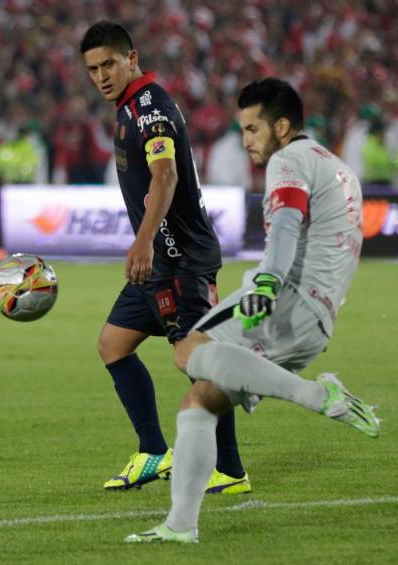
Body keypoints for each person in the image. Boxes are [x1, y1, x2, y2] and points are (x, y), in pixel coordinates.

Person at [126, 78, 380, 544]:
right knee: (200, 399)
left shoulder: (289, 159)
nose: (245, 141)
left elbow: (285, 223)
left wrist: (267, 281)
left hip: (284, 297)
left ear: (281, 126)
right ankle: (181, 526)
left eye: (252, 129)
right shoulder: (338, 167)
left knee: (187, 350)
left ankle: (314, 395)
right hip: (318, 318)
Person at [80, 21, 250, 495]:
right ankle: (154, 451)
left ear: (131, 58)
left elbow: (166, 176)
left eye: (109, 64)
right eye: (93, 69)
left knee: (193, 358)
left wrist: (143, 240)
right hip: (159, 263)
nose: (101, 76)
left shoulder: (149, 108)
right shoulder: (128, 108)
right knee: (113, 345)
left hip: (182, 260)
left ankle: (232, 471)